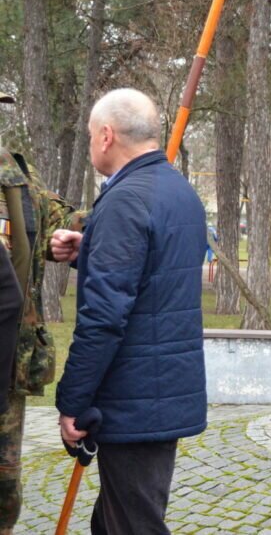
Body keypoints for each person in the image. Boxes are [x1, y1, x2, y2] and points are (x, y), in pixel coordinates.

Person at [50, 88, 207, 535]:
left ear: (105, 135)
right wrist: (92, 248)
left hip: (134, 398)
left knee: (133, 525)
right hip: (160, 392)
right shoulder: (177, 190)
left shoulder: (125, 200)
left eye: (88, 136)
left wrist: (73, 402)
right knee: (120, 519)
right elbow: (157, 273)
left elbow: (103, 317)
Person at [0, 91, 74, 535]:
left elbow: (61, 221)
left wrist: (73, 233)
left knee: (3, 482)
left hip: (7, 359)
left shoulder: (19, 182)